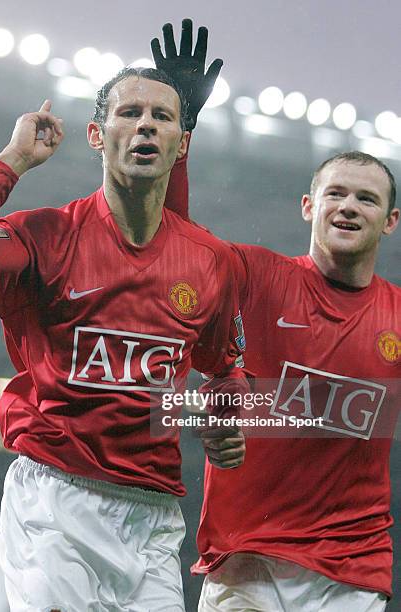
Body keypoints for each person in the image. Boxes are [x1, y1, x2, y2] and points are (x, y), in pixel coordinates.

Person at [0, 61, 248, 611]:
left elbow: (224, 363)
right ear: (96, 134)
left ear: (181, 144)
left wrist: (226, 421)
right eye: (129, 113)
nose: (145, 126)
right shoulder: (44, 236)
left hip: (154, 513)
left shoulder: (212, 261)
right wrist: (13, 161)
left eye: (161, 117)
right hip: (55, 501)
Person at [152, 20, 400, 611]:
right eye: (336, 192)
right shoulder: (255, 274)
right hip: (247, 558)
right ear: (308, 206)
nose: (349, 206)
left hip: (352, 567)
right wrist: (181, 128)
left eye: (367, 198)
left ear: (390, 222)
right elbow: (172, 240)